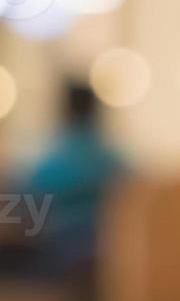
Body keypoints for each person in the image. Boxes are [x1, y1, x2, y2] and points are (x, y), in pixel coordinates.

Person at [24, 82, 127, 272]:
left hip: (60, 251)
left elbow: (29, 196)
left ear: (66, 110)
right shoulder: (114, 159)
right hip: (108, 249)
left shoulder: (54, 159)